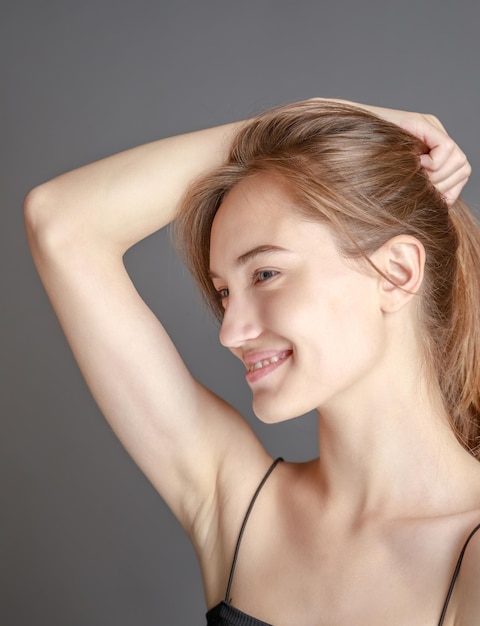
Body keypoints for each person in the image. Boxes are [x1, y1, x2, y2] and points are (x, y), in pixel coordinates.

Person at [24, 98, 479, 626]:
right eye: (223, 294)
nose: (231, 333)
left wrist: (298, 135)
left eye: (265, 274)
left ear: (396, 272)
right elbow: (60, 222)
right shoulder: (238, 507)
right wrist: (296, 123)